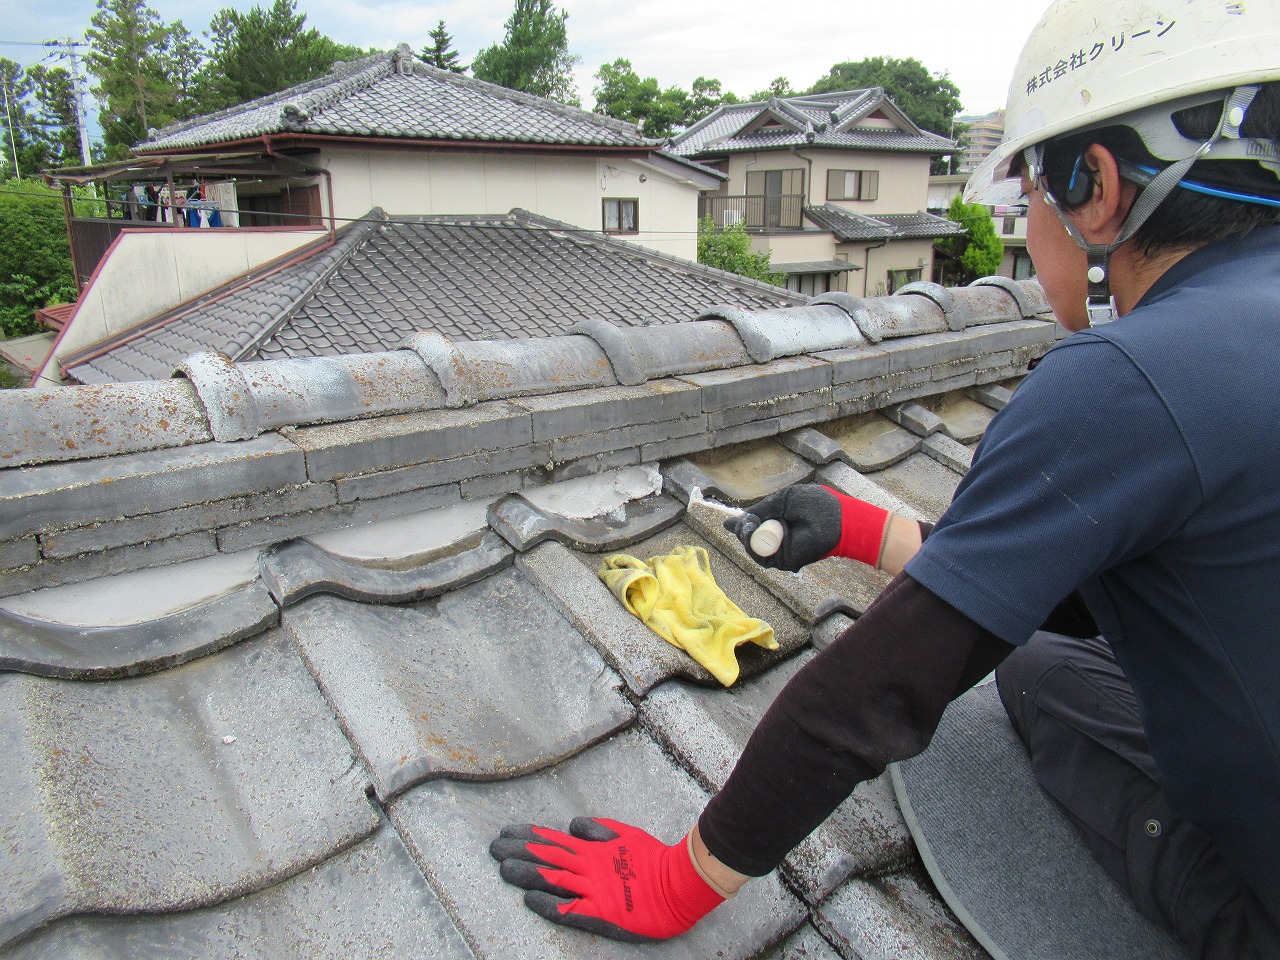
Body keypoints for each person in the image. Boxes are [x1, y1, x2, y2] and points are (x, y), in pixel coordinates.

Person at [489, 1, 1280, 955]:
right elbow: (1057, 599)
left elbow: (882, 686)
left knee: (1037, 692)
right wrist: (861, 530)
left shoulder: (1130, 380)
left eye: (1034, 184)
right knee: (1047, 663)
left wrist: (679, 878)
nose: (1029, 220)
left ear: (1095, 184)